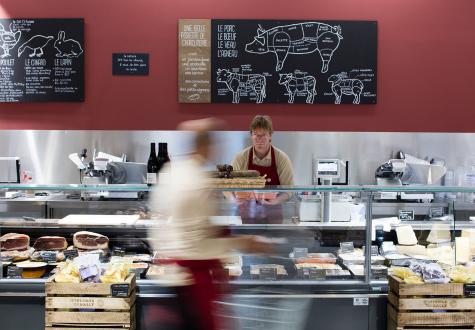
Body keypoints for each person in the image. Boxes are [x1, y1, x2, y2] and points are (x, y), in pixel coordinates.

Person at [149, 118, 272, 330]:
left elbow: (162, 223)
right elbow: (197, 245)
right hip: (191, 280)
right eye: (216, 144)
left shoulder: (171, 172)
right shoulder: (196, 181)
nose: (218, 149)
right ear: (204, 146)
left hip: (175, 278)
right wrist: (242, 242)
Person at [230, 115, 295, 222]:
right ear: (251, 135)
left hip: (273, 217)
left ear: (270, 136)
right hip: (248, 217)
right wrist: (232, 199)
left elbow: (289, 190)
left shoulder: (281, 158)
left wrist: (276, 201)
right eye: (256, 134)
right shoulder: (241, 158)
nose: (259, 139)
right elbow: (227, 185)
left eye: (263, 135)